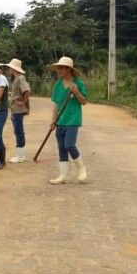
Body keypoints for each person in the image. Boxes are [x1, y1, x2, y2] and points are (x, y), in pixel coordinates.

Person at [49, 56, 88, 184]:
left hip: (73, 120)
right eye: (58, 68)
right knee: (61, 148)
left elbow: (84, 102)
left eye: (61, 68)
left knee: (69, 145)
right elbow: (56, 105)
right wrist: (53, 121)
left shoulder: (79, 83)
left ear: (69, 69)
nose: (59, 70)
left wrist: (76, 91)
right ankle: (63, 175)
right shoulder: (58, 85)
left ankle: (81, 168)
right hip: (60, 121)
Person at [6, 58, 31, 163]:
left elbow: (27, 90)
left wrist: (23, 102)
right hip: (15, 108)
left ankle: (20, 155)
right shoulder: (17, 78)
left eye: (10, 67)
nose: (9, 69)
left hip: (18, 109)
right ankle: (20, 154)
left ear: (13, 68)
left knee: (18, 131)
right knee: (18, 130)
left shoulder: (20, 78)